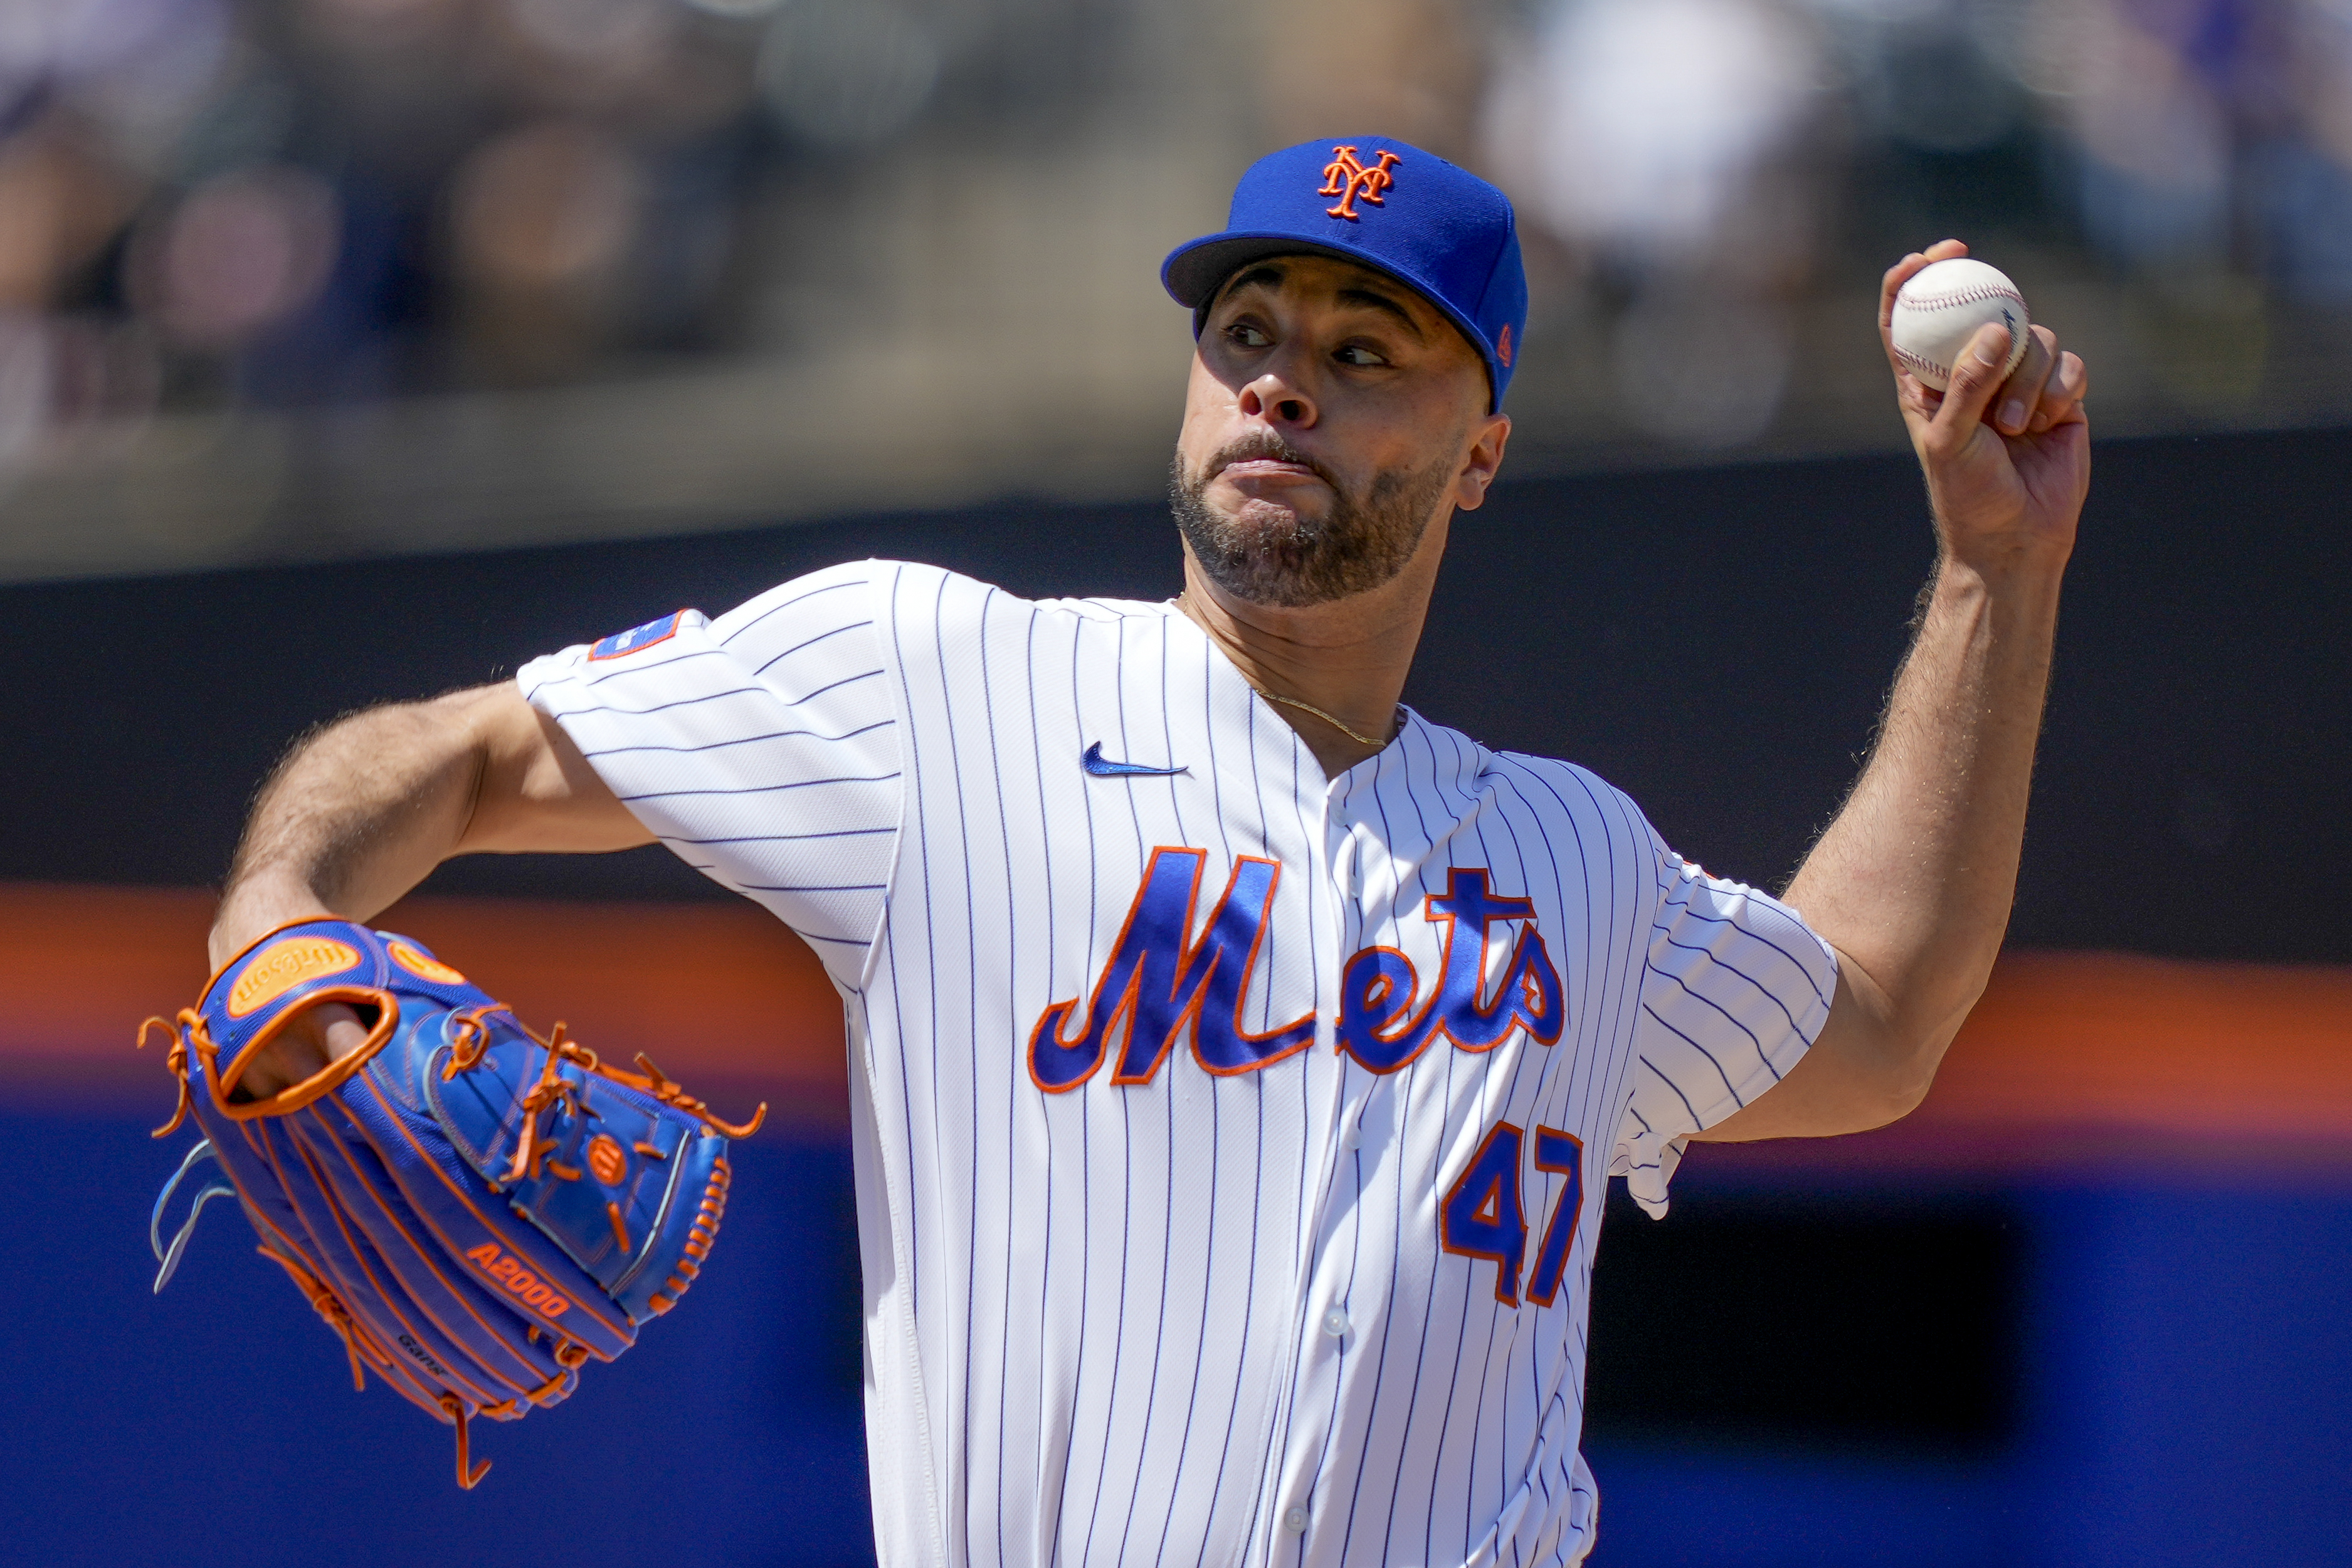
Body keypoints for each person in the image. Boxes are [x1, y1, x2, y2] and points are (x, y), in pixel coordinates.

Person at [206, 139, 2089, 1564]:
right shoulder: (933, 681)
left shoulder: (1574, 861)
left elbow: (1880, 1011)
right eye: (1248, 334)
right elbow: (456, 755)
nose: (1284, 383)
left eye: (1368, 350)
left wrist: (1999, 570)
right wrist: (271, 920)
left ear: (1488, 450)